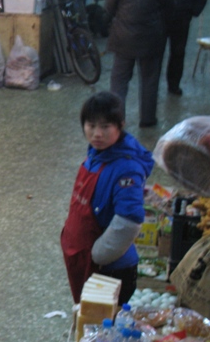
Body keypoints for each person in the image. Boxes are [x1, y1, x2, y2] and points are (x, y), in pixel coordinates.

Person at [60, 92, 154, 306]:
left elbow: (129, 221)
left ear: (120, 125)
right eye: (91, 126)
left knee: (101, 329)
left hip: (110, 269)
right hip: (85, 258)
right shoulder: (96, 154)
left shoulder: (127, 168)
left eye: (105, 127)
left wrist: (98, 255)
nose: (97, 134)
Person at [106, 0, 175, 128]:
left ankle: (116, 120)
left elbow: (109, 9)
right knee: (149, 81)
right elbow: (171, 11)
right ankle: (147, 119)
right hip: (151, 40)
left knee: (119, 81)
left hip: (123, 39)